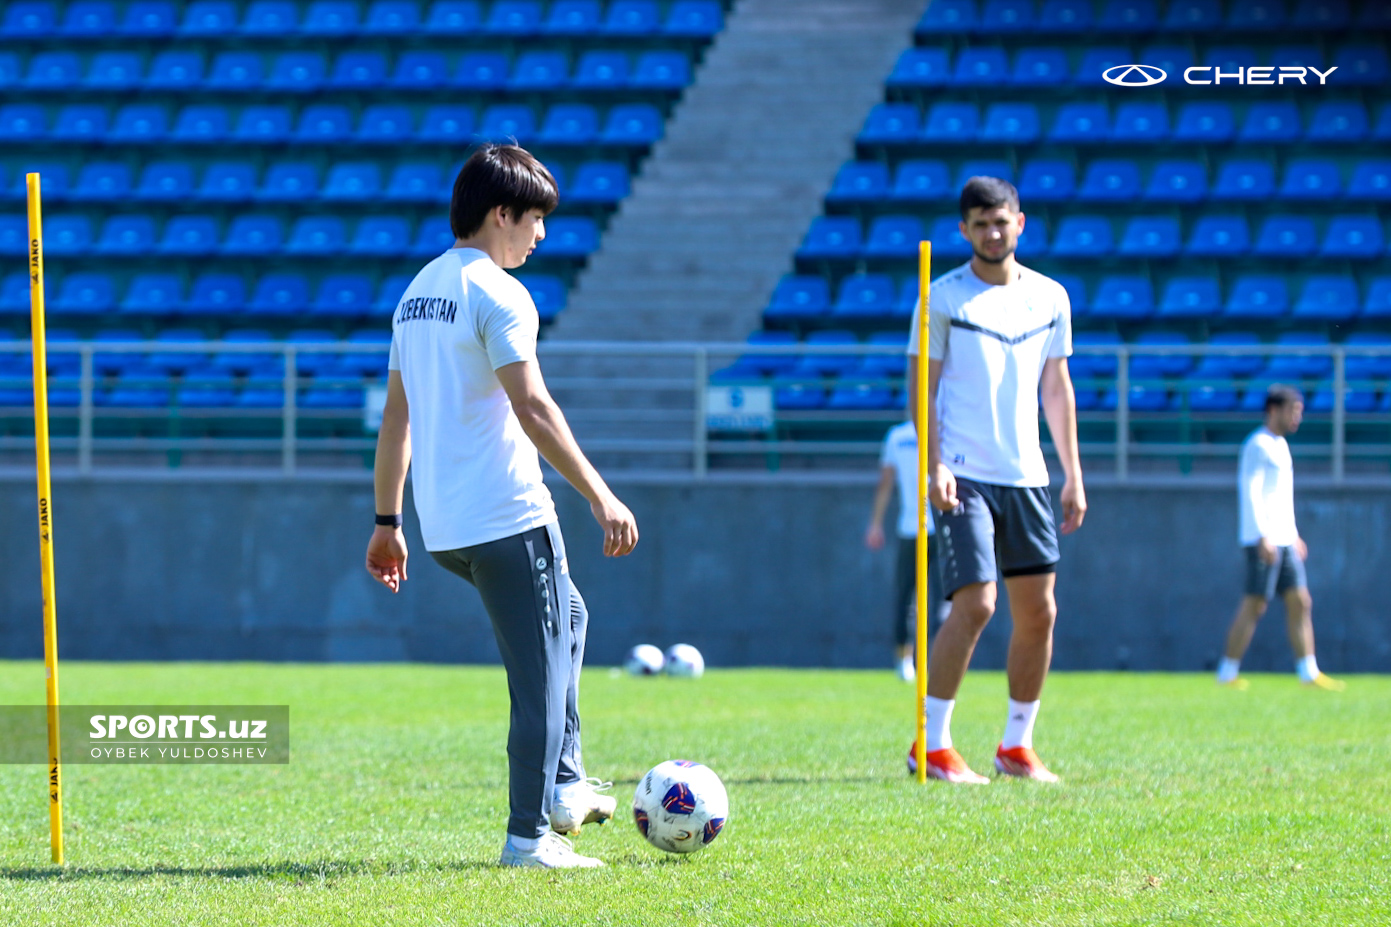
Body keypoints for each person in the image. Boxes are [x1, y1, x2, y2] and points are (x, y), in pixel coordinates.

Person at [365, 144, 640, 869]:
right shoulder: (497, 290)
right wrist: (600, 494)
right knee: (539, 678)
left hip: (443, 528)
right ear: (501, 213)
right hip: (509, 516)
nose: (541, 235)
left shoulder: (416, 291)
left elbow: (397, 419)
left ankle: (565, 783)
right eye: (535, 218)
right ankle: (528, 837)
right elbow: (535, 407)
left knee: (569, 619)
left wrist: (387, 521)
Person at [905, 176, 1086, 784]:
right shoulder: (942, 297)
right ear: (964, 229)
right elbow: (921, 389)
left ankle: (1016, 746)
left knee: (1040, 613)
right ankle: (930, 743)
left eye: (1001, 220)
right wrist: (933, 464)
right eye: (979, 223)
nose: (991, 231)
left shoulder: (1051, 297)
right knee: (977, 603)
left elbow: (1057, 389)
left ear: (1020, 222)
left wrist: (1072, 473)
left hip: (1029, 476)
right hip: (964, 475)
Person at [1216, 386, 1344, 691]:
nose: (1297, 417)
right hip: (1264, 539)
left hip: (1284, 539)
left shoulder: (1281, 445)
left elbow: (1281, 497)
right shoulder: (1257, 444)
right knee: (1255, 603)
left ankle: (1308, 672)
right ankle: (1226, 671)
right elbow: (1251, 491)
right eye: (1293, 410)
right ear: (1274, 410)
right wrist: (1261, 536)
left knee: (1300, 601)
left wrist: (1294, 533)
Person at [864, 420, 944, 681]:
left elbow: (885, 483)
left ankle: (908, 661)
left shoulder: (897, 435)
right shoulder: (941, 430)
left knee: (911, 598)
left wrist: (876, 522)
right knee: (935, 599)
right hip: (932, 526)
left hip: (916, 528)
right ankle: (931, 661)